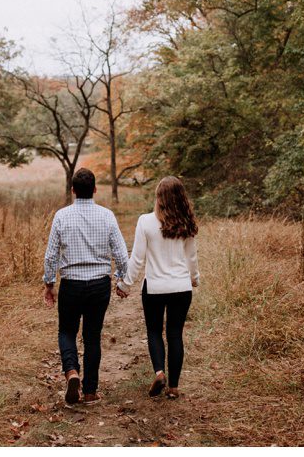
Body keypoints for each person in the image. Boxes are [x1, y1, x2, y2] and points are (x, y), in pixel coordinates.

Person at [42, 167, 129, 405]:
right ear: (95, 190)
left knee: (67, 331)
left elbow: (51, 255)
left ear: (73, 190)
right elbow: (122, 255)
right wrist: (120, 278)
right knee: (92, 336)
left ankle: (71, 371)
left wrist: (49, 283)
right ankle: (90, 391)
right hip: (99, 285)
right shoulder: (107, 215)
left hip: (71, 284)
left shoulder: (62, 216)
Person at [117, 176, 200, 399]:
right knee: (175, 334)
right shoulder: (186, 222)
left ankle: (160, 373)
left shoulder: (145, 221)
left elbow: (137, 259)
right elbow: (191, 257)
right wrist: (194, 278)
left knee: (154, 331)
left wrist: (125, 284)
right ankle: (173, 388)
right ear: (181, 198)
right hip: (181, 287)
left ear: (159, 198)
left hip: (154, 288)